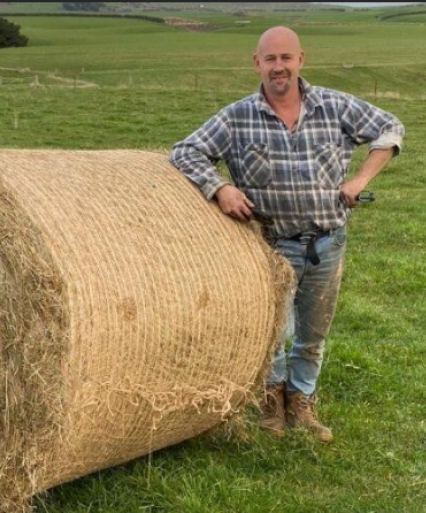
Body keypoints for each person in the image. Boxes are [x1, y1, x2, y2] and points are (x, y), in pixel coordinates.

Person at [169, 26, 404, 444]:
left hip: (327, 242)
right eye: (270, 59)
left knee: (313, 332)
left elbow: (390, 129)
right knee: (273, 331)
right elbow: (185, 151)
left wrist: (360, 180)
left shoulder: (334, 106)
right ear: (256, 63)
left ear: (301, 60)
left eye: (286, 58)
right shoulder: (237, 116)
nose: (279, 67)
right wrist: (220, 188)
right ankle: (271, 400)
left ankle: (303, 403)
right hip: (270, 245)